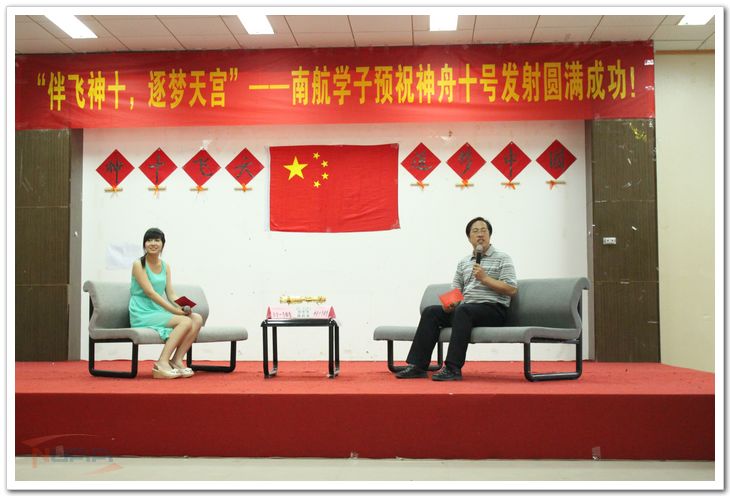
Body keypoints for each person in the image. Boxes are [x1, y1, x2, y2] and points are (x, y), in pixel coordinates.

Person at [395, 217, 517, 381]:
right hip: (466, 311)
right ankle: (418, 366)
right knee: (431, 312)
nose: (480, 234)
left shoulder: (503, 258)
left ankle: (452, 368)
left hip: (493, 310)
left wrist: (485, 278)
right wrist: (449, 304)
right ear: (469, 238)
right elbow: (457, 290)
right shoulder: (463, 262)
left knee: (464, 310)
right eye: (475, 231)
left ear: (490, 235)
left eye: (484, 231)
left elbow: (511, 289)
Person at [129, 227, 203, 379]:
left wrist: (183, 305)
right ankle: (161, 362)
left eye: (157, 240)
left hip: (157, 310)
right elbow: (150, 292)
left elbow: (171, 294)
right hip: (142, 311)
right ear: (144, 244)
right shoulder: (138, 264)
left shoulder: (165, 266)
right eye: (149, 240)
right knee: (184, 321)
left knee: (196, 318)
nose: (153, 243)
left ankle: (177, 360)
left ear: (163, 244)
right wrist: (175, 311)